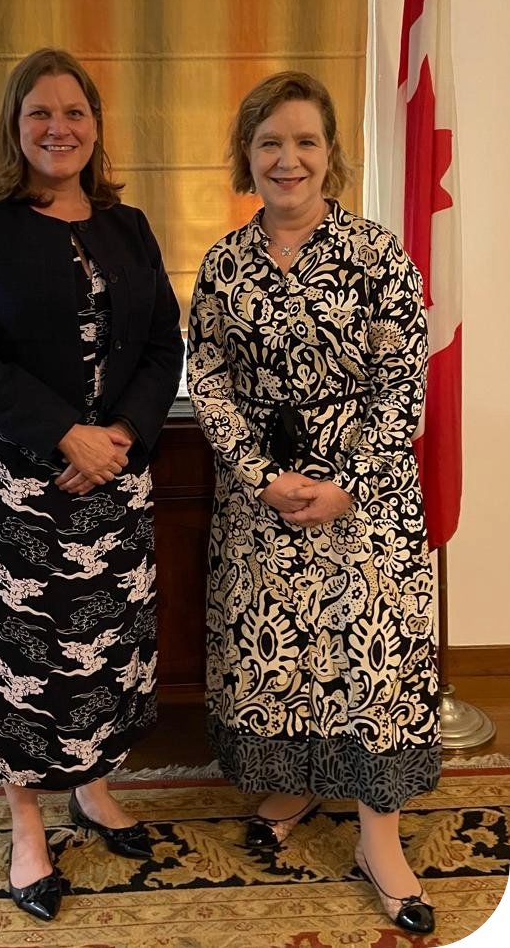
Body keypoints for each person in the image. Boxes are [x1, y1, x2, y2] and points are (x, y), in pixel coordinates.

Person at [0, 47, 183, 922]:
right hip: (14, 486)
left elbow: (161, 346)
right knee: (22, 660)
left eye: (74, 112)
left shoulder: (130, 225)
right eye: (40, 112)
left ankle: (95, 787)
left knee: (107, 650)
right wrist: (62, 433)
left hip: (113, 480)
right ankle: (27, 823)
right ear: (14, 123)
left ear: (96, 126)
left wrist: (118, 435)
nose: (58, 127)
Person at [186, 71, 439, 935]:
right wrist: (259, 474)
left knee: (369, 663)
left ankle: (379, 836)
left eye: (305, 141)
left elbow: (404, 383)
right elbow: (209, 378)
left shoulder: (378, 254)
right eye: (268, 142)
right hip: (262, 497)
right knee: (280, 657)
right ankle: (294, 777)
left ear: (332, 154)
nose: (287, 159)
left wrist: (348, 486)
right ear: (245, 157)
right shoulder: (223, 263)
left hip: (363, 498)